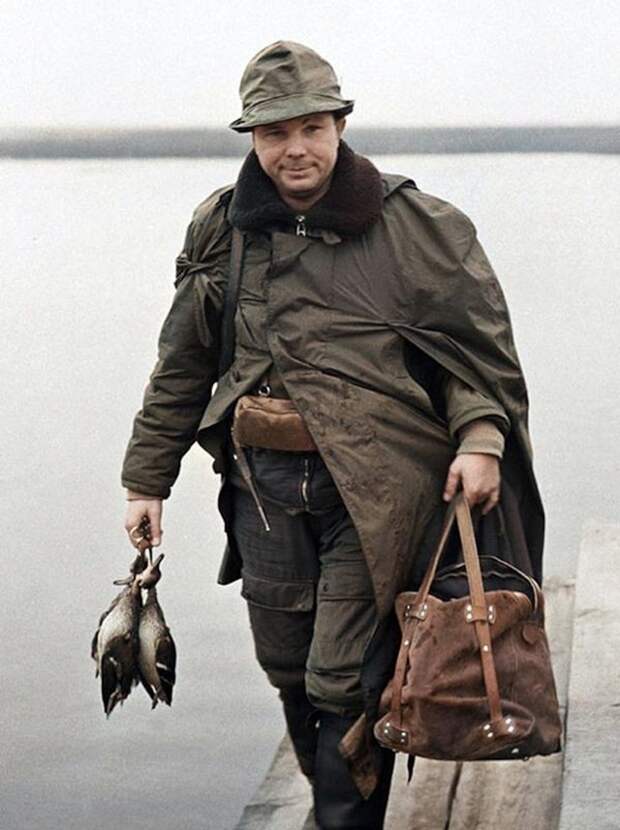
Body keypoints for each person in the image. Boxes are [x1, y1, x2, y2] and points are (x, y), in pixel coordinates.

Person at [121, 41, 544, 830]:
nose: (296, 149)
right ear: (252, 138)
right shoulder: (222, 227)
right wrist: (147, 480)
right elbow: (182, 363)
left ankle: (343, 819)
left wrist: (480, 437)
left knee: (342, 677)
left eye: (312, 127)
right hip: (262, 488)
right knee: (286, 666)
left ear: (340, 125)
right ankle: (331, 800)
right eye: (275, 132)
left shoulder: (414, 225)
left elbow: (471, 356)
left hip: (375, 490)